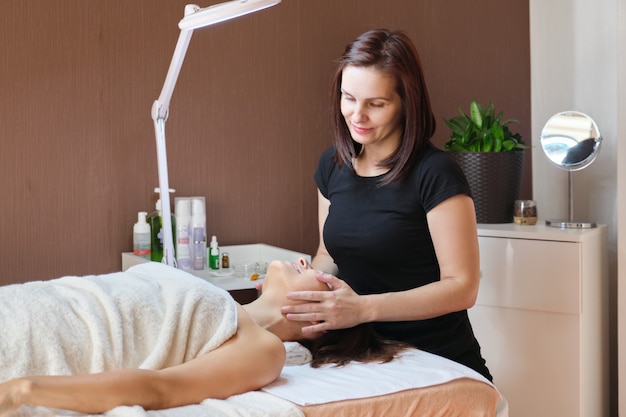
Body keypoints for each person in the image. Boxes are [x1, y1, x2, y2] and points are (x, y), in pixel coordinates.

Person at [280, 28, 493, 381]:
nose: (357, 115)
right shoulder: (332, 166)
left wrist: (363, 308)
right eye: (348, 98)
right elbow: (328, 256)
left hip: (435, 356)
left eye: (375, 104)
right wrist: (302, 286)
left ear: (405, 103)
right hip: (362, 354)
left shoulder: (436, 174)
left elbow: (462, 287)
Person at [0, 259, 406, 416]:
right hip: (36, 304)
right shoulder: (224, 305)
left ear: (319, 321)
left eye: (324, 277)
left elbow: (159, 389)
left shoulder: (262, 350)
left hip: (41, 342)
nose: (307, 261)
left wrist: (23, 389)